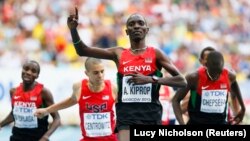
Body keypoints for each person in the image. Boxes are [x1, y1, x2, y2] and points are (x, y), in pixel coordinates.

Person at [67, 7, 187, 141]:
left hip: (151, 115)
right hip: (126, 116)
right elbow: (82, 50)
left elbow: (181, 81)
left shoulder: (156, 54)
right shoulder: (118, 53)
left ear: (147, 30)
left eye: (140, 23)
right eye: (131, 24)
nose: (136, 26)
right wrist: (73, 30)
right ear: (127, 32)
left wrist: (150, 79)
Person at [35, 57, 118, 141]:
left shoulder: (112, 88)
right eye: (96, 73)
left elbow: (124, 112)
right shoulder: (79, 87)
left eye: (102, 71)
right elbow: (71, 101)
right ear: (87, 73)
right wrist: (47, 110)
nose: (100, 75)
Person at [172, 51, 245, 124]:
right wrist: (181, 123)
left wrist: (243, 108)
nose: (215, 77)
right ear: (206, 66)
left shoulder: (229, 76)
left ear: (222, 67)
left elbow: (234, 83)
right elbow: (175, 100)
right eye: (212, 73)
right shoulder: (194, 78)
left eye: (218, 73)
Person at [0, 60, 60, 141]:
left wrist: (45, 137)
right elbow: (14, 114)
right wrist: (1, 124)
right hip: (16, 137)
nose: (28, 72)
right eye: (26, 69)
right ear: (22, 70)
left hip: (37, 137)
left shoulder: (44, 92)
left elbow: (57, 118)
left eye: (33, 71)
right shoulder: (13, 91)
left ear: (37, 76)